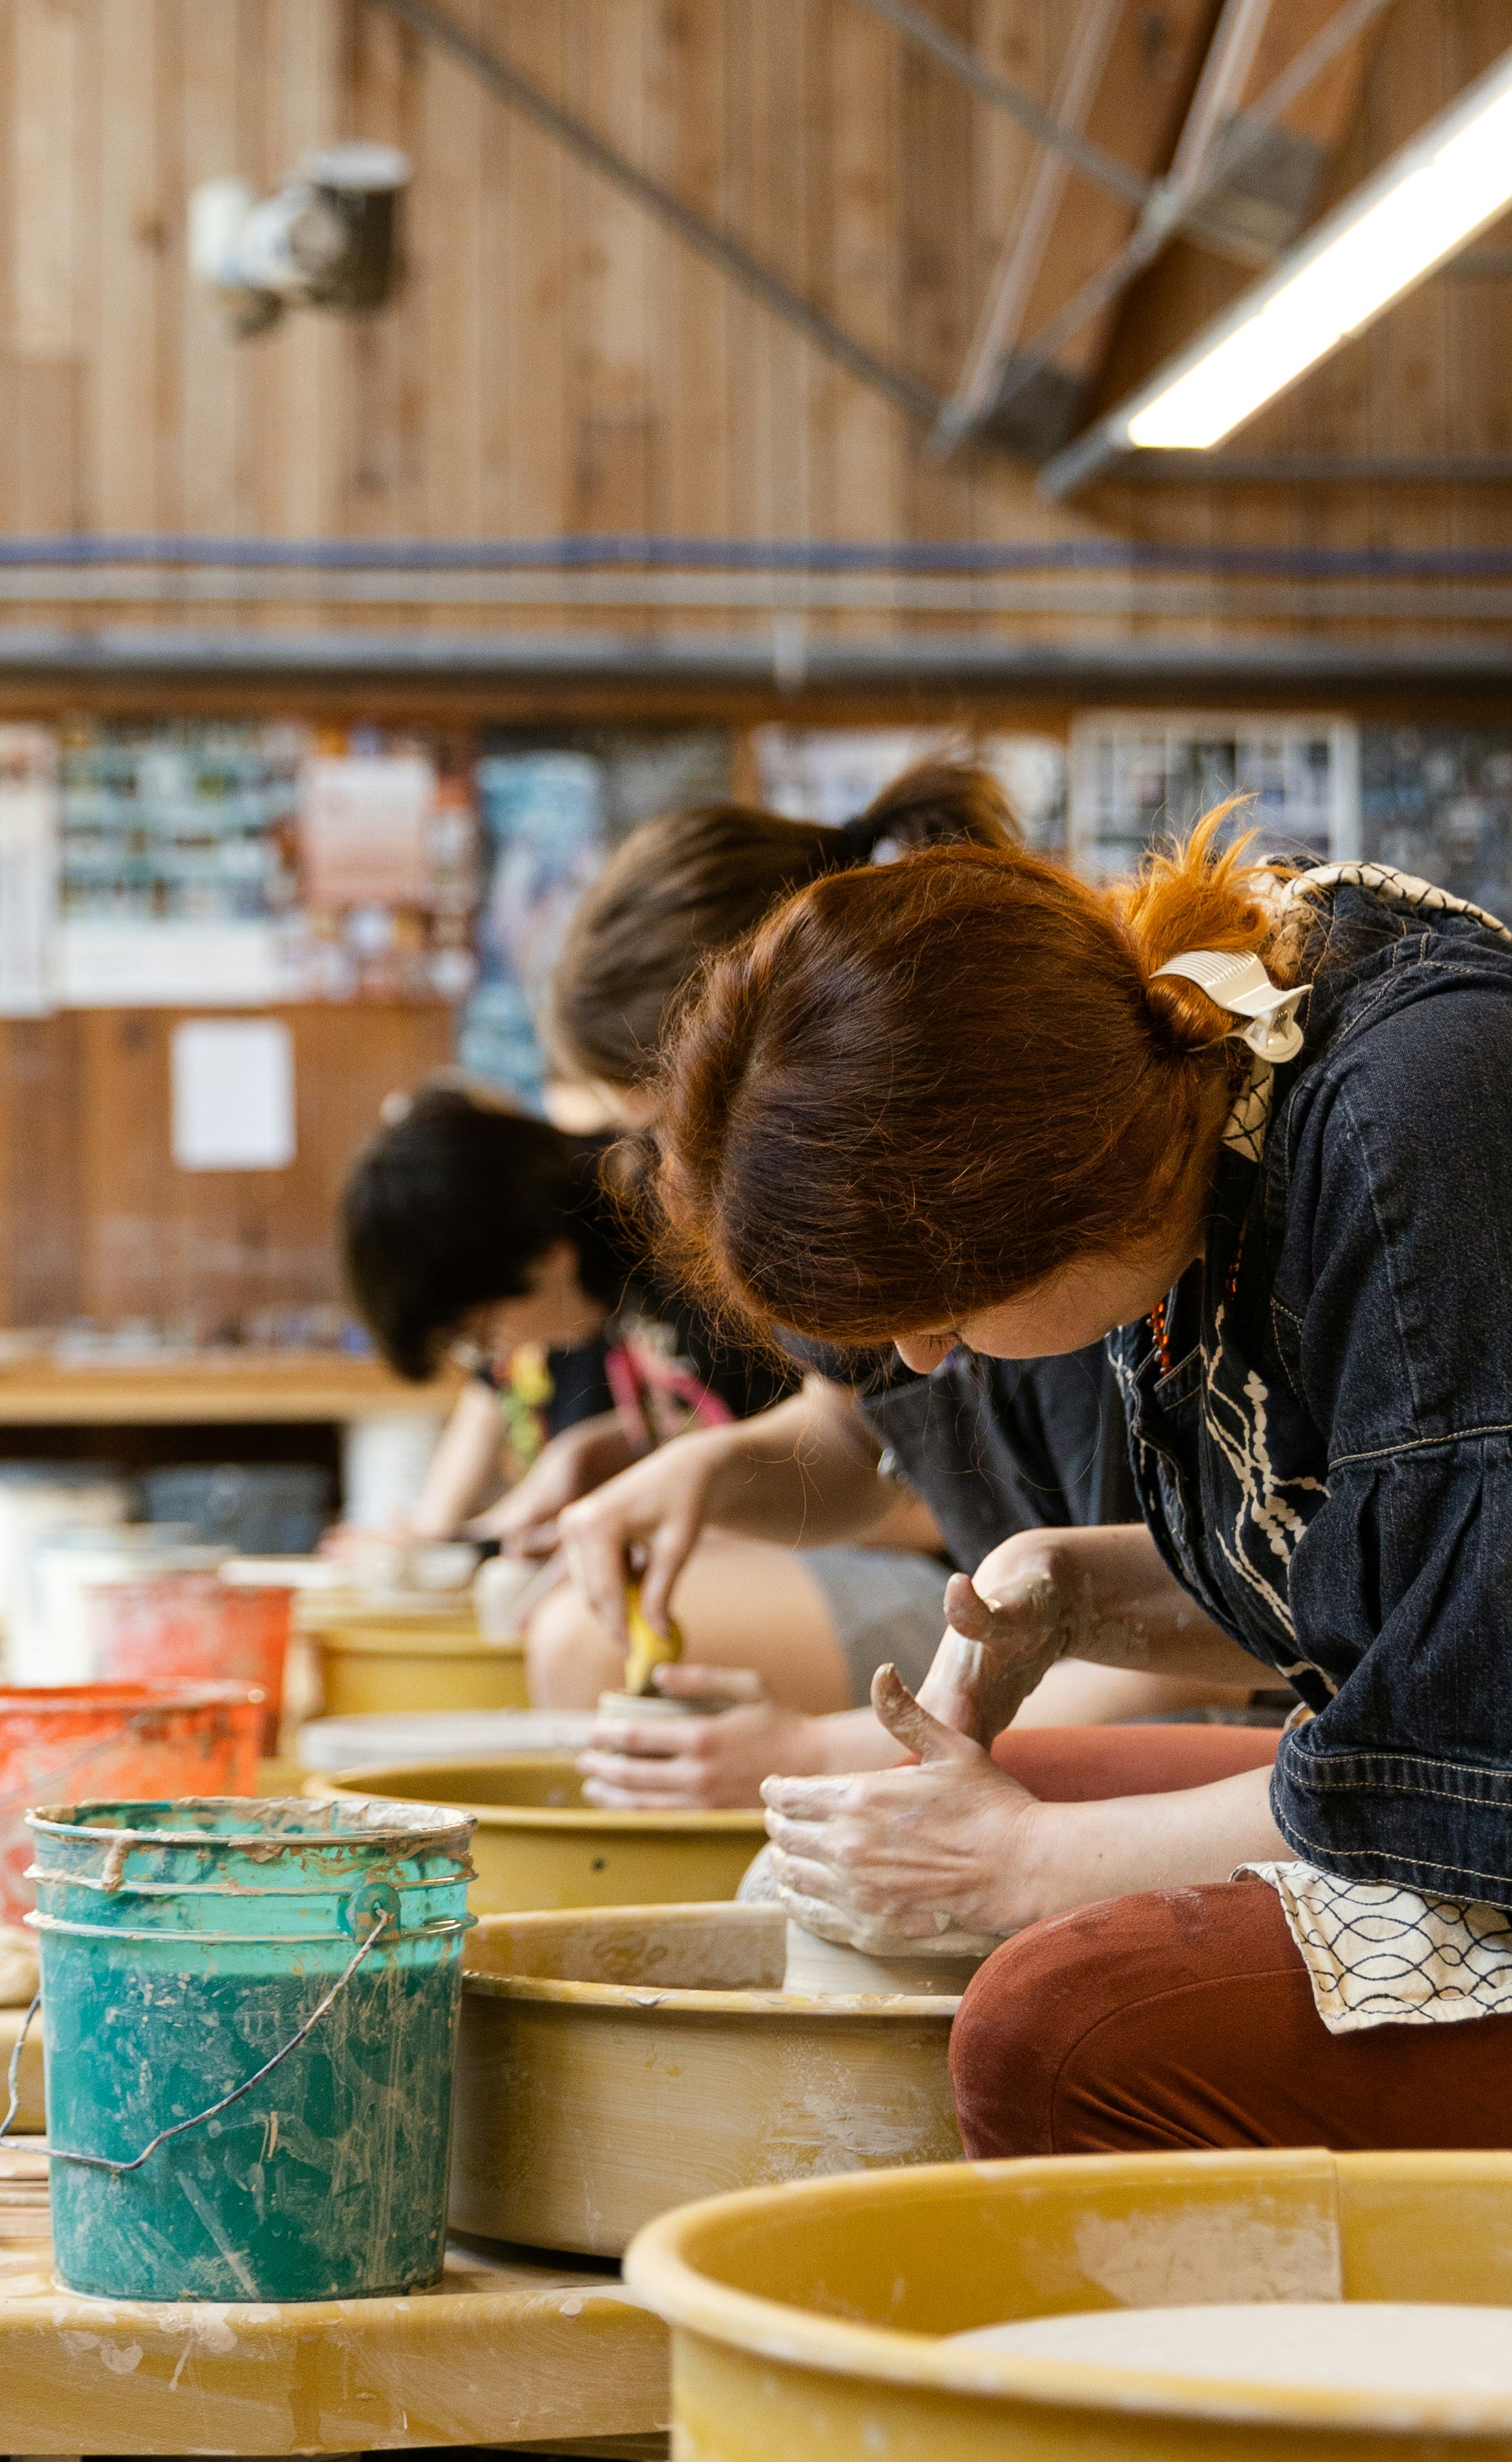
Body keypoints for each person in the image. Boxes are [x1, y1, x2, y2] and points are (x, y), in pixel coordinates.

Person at [615, 810, 1512, 2154]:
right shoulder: (1204, 1098)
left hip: (1478, 1813)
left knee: (1054, 2029)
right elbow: (1406, 1596)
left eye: (942, 1311)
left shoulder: (1411, 1121)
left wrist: (1016, 1863)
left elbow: (1461, 1749)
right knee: (847, 1855)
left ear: (1054, 1191)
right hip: (1457, 1778)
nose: (923, 1356)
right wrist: (1088, 1589)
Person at [525, 751, 1262, 1796]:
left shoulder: (1062, 1227)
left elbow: (1218, 1633)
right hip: (1043, 1651)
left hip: (1177, 1713)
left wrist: (820, 1755)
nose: (666, 1178)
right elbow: (859, 1430)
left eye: (661, 1132)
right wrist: (703, 1473)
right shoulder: (848, 1210)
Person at [339, 1081, 951, 1712]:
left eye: (478, 1334)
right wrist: (599, 1457)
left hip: (943, 1574)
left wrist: (715, 1518)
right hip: (841, 1556)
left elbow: (913, 1489)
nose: (496, 1358)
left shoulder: (705, 1246)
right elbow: (735, 1426)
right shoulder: (621, 1286)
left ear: (546, 1260)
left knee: (579, 1639)